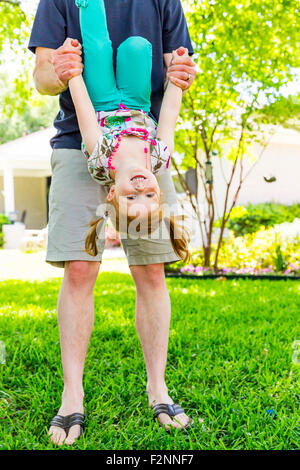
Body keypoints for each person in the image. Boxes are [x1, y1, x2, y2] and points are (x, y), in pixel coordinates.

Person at [29, 0, 197, 445]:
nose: (144, 189)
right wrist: (63, 69)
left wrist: (179, 73)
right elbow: (44, 74)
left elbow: (175, 66)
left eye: (139, 194)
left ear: (116, 195)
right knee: (79, 268)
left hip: (104, 138)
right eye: (147, 194)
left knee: (151, 269)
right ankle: (72, 395)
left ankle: (157, 388)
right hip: (77, 142)